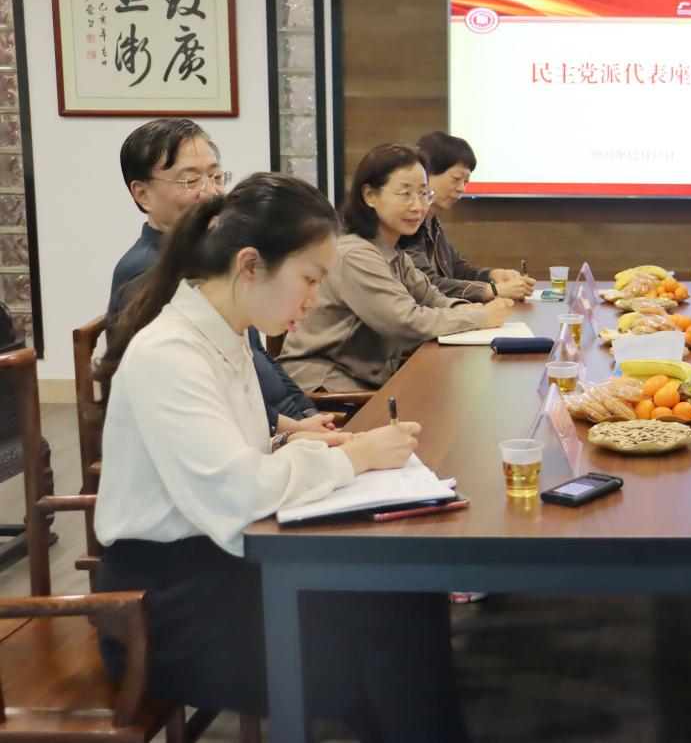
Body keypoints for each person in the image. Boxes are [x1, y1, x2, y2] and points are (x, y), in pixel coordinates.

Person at [93, 173, 469, 740]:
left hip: (218, 563)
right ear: (249, 264)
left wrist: (295, 443)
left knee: (402, 599)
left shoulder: (222, 332)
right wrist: (355, 459)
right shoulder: (169, 353)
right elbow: (238, 492)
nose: (313, 301)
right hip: (164, 609)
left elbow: (230, 459)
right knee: (388, 631)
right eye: (309, 280)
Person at [107, 119, 325, 430]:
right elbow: (195, 392)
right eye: (190, 181)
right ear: (142, 194)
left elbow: (256, 353)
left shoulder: (211, 254)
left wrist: (308, 413)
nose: (211, 193)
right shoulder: (145, 272)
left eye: (215, 176)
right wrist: (293, 429)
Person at [280, 144, 512, 392]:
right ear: (369, 195)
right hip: (325, 387)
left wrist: (467, 309)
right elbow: (406, 322)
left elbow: (432, 298)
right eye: (405, 194)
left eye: (423, 194)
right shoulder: (356, 254)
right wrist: (480, 317)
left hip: (362, 380)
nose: (418, 206)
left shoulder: (391, 250)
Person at [404, 131, 535, 301]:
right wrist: (492, 290)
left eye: (465, 182)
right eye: (456, 179)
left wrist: (493, 275)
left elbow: (456, 268)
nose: (462, 188)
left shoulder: (432, 220)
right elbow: (427, 284)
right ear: (425, 174)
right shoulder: (408, 223)